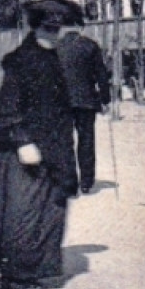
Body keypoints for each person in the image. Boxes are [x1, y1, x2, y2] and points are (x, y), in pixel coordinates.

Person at [0, 0, 81, 289]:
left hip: (55, 149)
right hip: (26, 151)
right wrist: (22, 141)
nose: (52, 35)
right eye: (47, 29)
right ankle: (15, 278)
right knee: (23, 214)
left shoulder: (54, 59)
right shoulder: (20, 61)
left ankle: (35, 272)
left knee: (51, 210)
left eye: (56, 29)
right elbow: (7, 108)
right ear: (35, 28)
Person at [57, 13, 112, 194]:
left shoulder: (55, 48)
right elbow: (101, 75)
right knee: (86, 140)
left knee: (64, 142)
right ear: (81, 27)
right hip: (87, 101)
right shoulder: (90, 46)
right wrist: (105, 99)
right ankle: (87, 182)